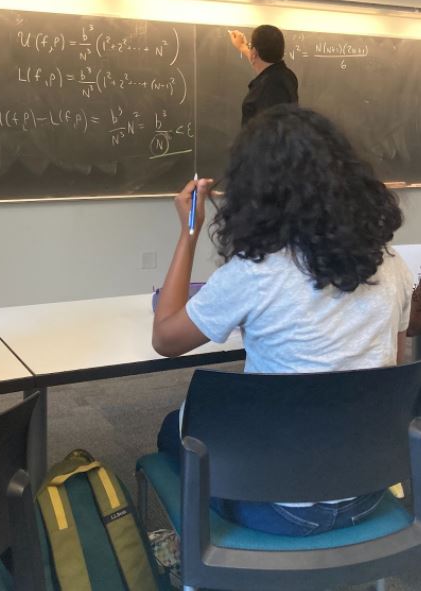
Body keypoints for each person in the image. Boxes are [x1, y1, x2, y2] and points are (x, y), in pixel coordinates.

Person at [152, 105, 412, 536]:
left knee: (170, 429)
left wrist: (189, 232)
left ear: (256, 190)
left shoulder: (255, 273)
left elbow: (165, 338)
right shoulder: (392, 265)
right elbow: (387, 369)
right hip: (366, 489)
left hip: (274, 504)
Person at [228, 24, 298, 126]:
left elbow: (269, 133)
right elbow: (259, 62)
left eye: (251, 46)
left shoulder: (268, 89)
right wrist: (243, 46)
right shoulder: (287, 75)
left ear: (255, 53)